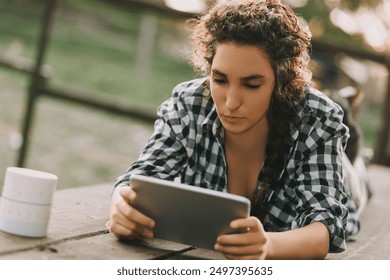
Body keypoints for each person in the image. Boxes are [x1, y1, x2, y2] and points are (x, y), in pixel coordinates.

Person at [108, 0, 359, 259]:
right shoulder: (189, 103)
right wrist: (120, 206)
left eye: (251, 85)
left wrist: (268, 246)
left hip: (343, 175)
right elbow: (137, 178)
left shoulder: (318, 118)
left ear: (281, 82)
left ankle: (347, 110)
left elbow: (325, 228)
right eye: (220, 80)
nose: (230, 103)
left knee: (353, 177)